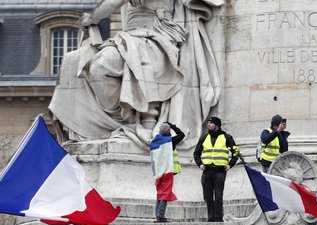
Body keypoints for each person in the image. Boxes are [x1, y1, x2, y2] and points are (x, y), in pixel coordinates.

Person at [48, 0, 224, 148]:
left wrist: (91, 18)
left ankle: (122, 122)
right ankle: (119, 123)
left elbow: (111, 3)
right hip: (130, 38)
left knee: (99, 67)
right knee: (72, 60)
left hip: (156, 39)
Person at [193, 117, 238, 222]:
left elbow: (236, 152)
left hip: (220, 171)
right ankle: (210, 218)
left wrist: (230, 164)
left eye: (211, 123)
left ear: (217, 125)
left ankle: (218, 219)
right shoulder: (204, 137)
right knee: (207, 196)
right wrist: (200, 164)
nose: (208, 125)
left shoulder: (227, 137)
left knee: (218, 197)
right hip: (207, 170)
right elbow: (196, 153)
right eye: (208, 123)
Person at [150, 122, 185, 222]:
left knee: (160, 193)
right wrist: (173, 126)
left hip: (157, 171)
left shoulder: (154, 141)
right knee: (165, 193)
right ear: (168, 131)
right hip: (167, 171)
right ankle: (160, 215)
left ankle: (157, 215)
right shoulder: (170, 141)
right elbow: (182, 135)